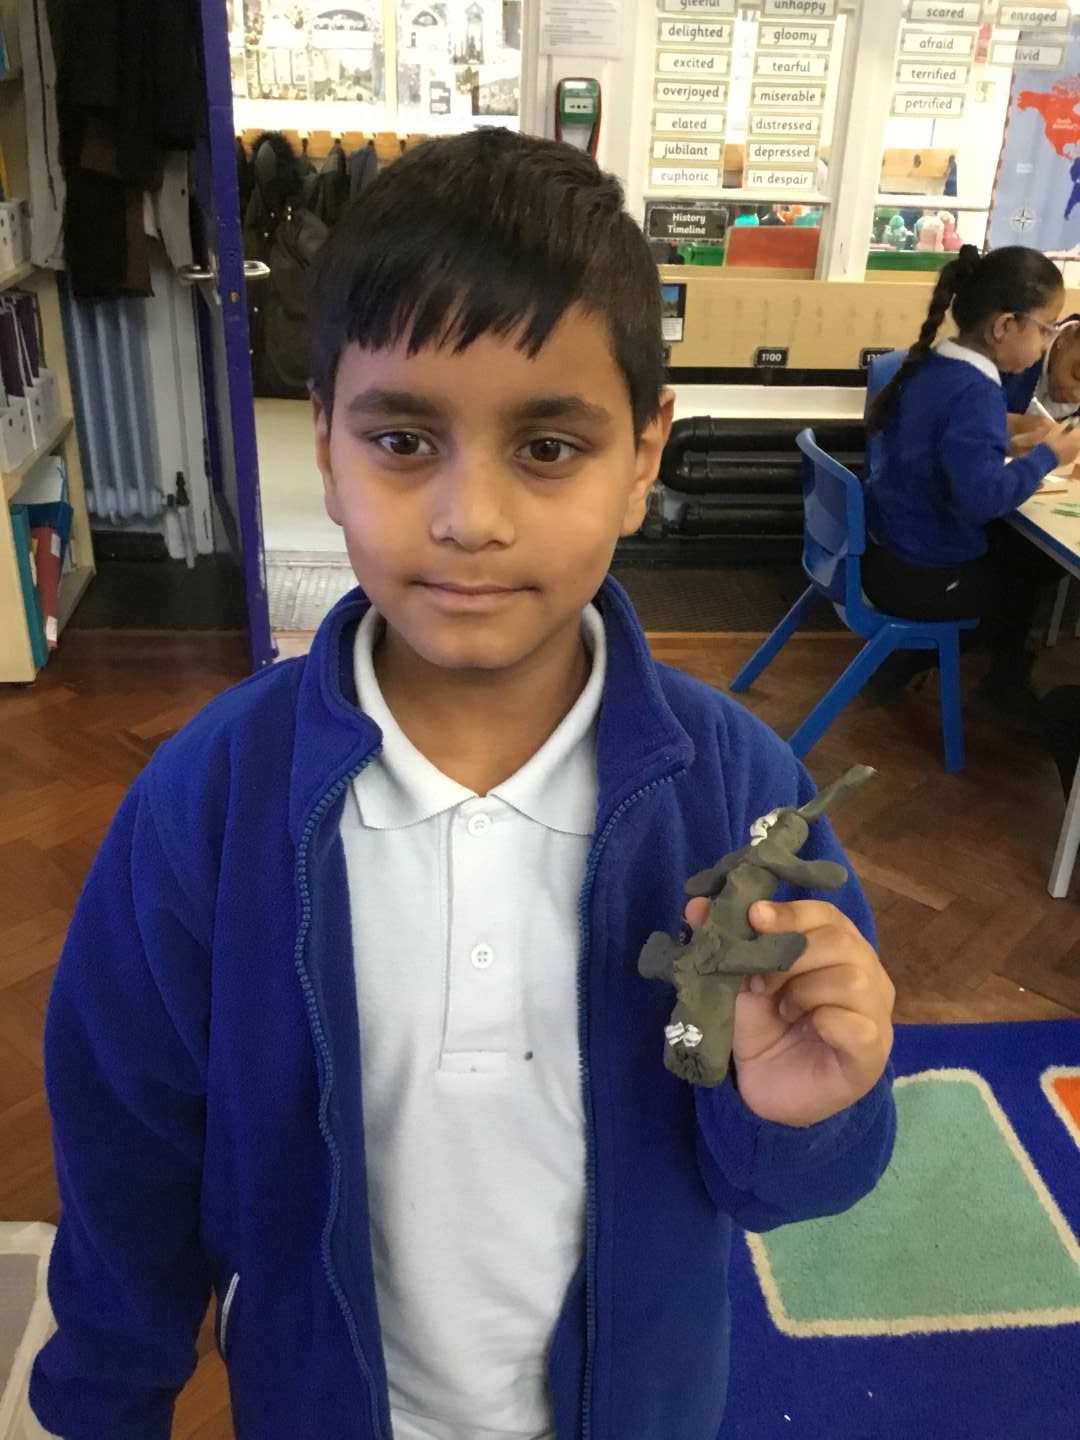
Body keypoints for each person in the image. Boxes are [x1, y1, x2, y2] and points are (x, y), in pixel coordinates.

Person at [29, 130, 896, 1440]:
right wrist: (103, 1404)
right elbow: (125, 1155)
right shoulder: (210, 801)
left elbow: (792, 1184)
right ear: (326, 446)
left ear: (643, 455)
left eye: (546, 447)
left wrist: (805, 1107)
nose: (469, 517)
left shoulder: (740, 796)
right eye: (402, 439)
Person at [863, 243, 1080, 716]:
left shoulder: (936, 364)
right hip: (919, 575)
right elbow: (981, 500)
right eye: (1046, 330)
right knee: (1028, 576)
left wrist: (1011, 441)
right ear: (1005, 326)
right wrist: (1049, 456)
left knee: (1018, 558)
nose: (1047, 345)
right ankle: (991, 682)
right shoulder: (977, 392)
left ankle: (911, 662)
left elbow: (946, 442)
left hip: (887, 551)